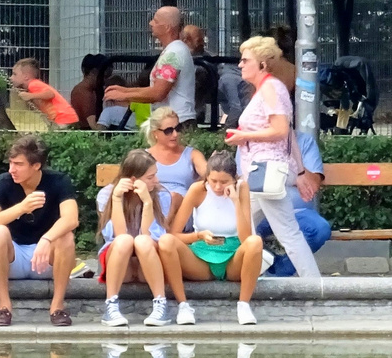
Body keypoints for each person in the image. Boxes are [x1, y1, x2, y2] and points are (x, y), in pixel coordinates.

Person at [225, 35, 321, 279]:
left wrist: (244, 135)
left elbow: (279, 131)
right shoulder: (269, 89)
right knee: (236, 226)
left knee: (286, 233)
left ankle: (315, 286)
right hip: (261, 172)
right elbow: (287, 134)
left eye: (245, 60)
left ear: (262, 65)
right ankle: (248, 273)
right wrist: (299, 172)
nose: (240, 64)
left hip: (265, 172)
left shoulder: (270, 89)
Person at [0, 134, 80, 327]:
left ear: (36, 165)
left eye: (18, 164)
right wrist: (21, 208)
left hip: (46, 258)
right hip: (13, 257)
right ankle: (4, 307)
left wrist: (47, 239)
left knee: (66, 236)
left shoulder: (58, 181)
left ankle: (57, 307)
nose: (11, 169)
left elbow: (71, 218)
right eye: (11, 163)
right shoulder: (3, 182)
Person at [159, 150, 268, 326]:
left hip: (232, 256)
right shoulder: (198, 190)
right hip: (201, 254)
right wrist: (198, 235)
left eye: (224, 182)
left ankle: (244, 305)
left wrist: (235, 201)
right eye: (213, 181)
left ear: (234, 179)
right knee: (165, 242)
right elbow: (173, 234)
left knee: (255, 242)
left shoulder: (242, 188)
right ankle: (183, 305)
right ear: (206, 178)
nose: (217, 187)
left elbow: (246, 237)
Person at [96, 148, 176, 329]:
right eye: (150, 177)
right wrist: (117, 198)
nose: (156, 181)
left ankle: (160, 304)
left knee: (141, 240)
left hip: (146, 263)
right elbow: (116, 235)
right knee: (125, 240)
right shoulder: (107, 194)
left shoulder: (162, 195)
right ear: (133, 180)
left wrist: (147, 202)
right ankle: (111, 305)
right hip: (119, 262)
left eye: (155, 175)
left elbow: (150, 235)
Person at [104, 6, 197, 127]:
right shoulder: (175, 50)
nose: (151, 23)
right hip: (175, 121)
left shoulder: (173, 54)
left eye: (156, 21)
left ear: (167, 27)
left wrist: (124, 95)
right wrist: (124, 90)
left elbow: (158, 93)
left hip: (177, 123)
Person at [255, 129, 331, 276]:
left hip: (298, 213)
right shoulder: (252, 138)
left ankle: (276, 275)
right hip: (261, 212)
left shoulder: (304, 141)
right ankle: (257, 274)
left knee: (320, 228)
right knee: (243, 231)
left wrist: (287, 165)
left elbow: (313, 183)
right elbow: (242, 178)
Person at [144, 107, 206, 204]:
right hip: (153, 208)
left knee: (174, 197)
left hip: (183, 210)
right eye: (168, 131)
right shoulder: (144, 157)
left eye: (178, 128)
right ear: (155, 133)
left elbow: (209, 174)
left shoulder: (192, 155)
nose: (175, 134)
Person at [10, 58, 80, 129]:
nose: (11, 77)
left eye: (14, 74)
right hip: (66, 117)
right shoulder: (33, 85)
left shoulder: (33, 84)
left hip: (63, 117)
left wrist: (30, 96)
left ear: (26, 77)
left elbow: (50, 94)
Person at [70, 53, 109, 129]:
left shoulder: (91, 91)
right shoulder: (84, 92)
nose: (105, 81)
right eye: (105, 77)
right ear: (94, 72)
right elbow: (93, 126)